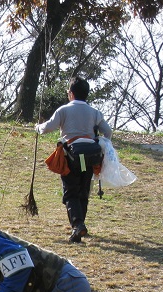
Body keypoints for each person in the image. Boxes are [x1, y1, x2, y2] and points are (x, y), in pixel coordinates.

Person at [36, 76, 112, 243]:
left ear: (70, 93)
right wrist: (100, 142)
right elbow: (108, 131)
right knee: (83, 191)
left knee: (70, 192)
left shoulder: (64, 110)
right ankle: (81, 224)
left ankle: (78, 225)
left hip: (71, 155)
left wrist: (37, 127)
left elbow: (48, 127)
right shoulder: (95, 112)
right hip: (90, 155)